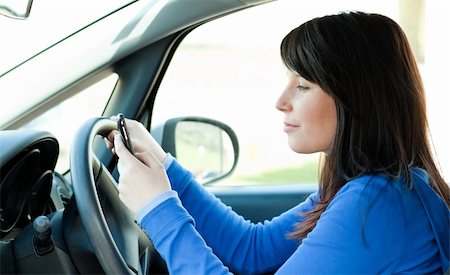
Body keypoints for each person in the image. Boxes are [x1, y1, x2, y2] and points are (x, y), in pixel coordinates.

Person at [105, 11, 450, 274]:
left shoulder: (376, 204)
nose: (281, 101)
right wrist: (161, 162)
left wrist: (158, 210)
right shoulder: (372, 185)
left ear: (355, 99)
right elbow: (252, 249)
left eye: (302, 86)